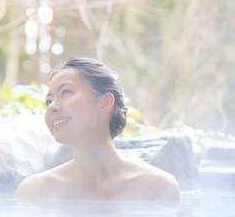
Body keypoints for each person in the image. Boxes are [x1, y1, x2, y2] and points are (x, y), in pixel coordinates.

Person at [16, 57, 181, 203]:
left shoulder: (158, 187)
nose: (52, 107)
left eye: (66, 92)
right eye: (48, 101)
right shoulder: (35, 191)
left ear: (104, 103)